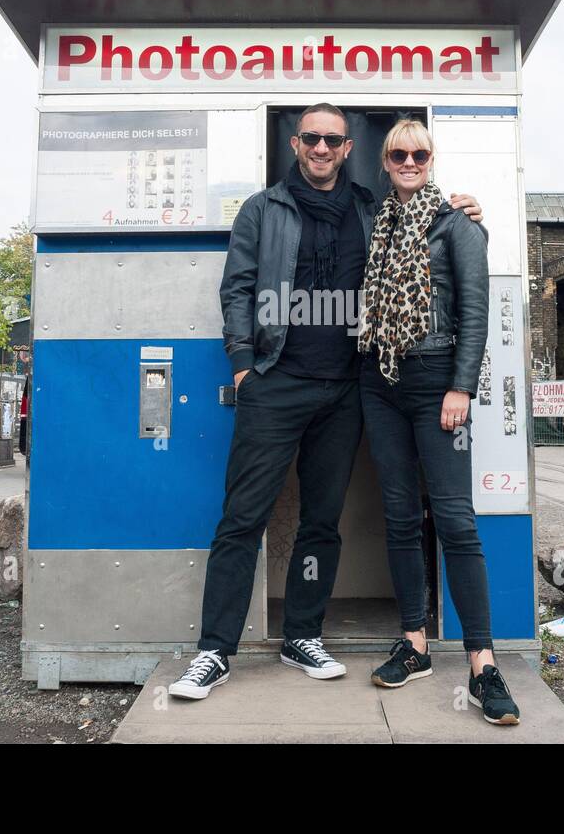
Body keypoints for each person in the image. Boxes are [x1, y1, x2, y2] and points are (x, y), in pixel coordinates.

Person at [169, 103, 481, 700]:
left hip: (346, 389)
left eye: (332, 140)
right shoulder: (264, 209)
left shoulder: (371, 208)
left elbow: (427, 237)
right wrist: (242, 366)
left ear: (347, 149)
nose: (321, 148)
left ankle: (302, 635)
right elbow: (236, 287)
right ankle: (214, 651)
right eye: (311, 137)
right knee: (243, 519)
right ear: (294, 144)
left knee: (321, 520)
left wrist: (465, 215)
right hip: (275, 382)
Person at [355, 118, 520, 726]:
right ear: (384, 160)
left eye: (418, 152)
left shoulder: (458, 225)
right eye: (398, 152)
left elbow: (474, 312)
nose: (409, 160)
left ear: (431, 157)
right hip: (378, 379)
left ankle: (482, 663)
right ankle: (415, 645)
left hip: (434, 380)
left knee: (455, 519)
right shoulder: (374, 222)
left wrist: (461, 387)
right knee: (399, 516)